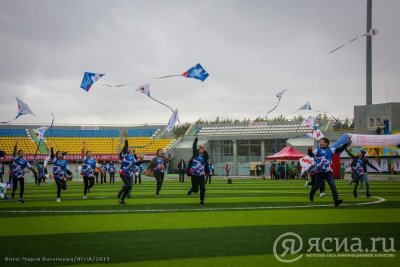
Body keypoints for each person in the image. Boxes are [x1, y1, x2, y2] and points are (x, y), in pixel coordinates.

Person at [308, 137, 351, 207]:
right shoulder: (317, 150)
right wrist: (309, 150)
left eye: (322, 142)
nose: (320, 143)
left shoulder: (331, 149)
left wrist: (346, 144)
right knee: (316, 186)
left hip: (328, 172)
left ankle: (336, 201)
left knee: (332, 185)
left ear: (326, 143)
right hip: (319, 171)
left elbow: (339, 149)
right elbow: (311, 154)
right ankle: (311, 193)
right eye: (320, 142)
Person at [187, 134, 209, 204]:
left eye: (203, 149)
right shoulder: (195, 155)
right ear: (198, 150)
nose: (202, 150)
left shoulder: (204, 157)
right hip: (194, 175)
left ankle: (202, 200)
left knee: (203, 188)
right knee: (195, 190)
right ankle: (191, 189)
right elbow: (194, 146)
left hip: (201, 175)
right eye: (201, 148)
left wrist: (204, 149)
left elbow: (207, 156)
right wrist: (196, 139)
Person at [118, 139, 141, 204]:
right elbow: (125, 146)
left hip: (130, 173)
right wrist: (126, 139)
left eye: (129, 148)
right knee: (128, 185)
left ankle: (122, 191)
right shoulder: (124, 155)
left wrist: (141, 160)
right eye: (127, 148)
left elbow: (135, 164)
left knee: (129, 186)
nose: (129, 149)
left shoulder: (132, 156)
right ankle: (122, 198)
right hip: (123, 173)